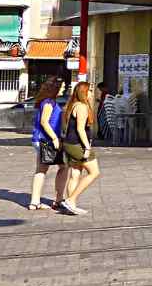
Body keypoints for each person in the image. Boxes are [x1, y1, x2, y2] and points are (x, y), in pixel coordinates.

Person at [27, 78, 71, 211]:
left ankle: (35, 202)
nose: (64, 89)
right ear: (55, 88)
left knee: (42, 169)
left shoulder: (48, 101)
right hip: (46, 140)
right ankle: (58, 199)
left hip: (41, 139)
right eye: (62, 86)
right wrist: (55, 138)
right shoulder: (49, 102)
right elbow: (44, 122)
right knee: (63, 166)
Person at [59, 82, 102, 215]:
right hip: (77, 145)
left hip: (69, 143)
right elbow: (80, 129)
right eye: (90, 91)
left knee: (75, 174)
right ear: (84, 92)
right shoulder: (82, 107)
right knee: (94, 172)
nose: (92, 93)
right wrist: (87, 148)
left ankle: (71, 205)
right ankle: (71, 200)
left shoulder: (72, 105)